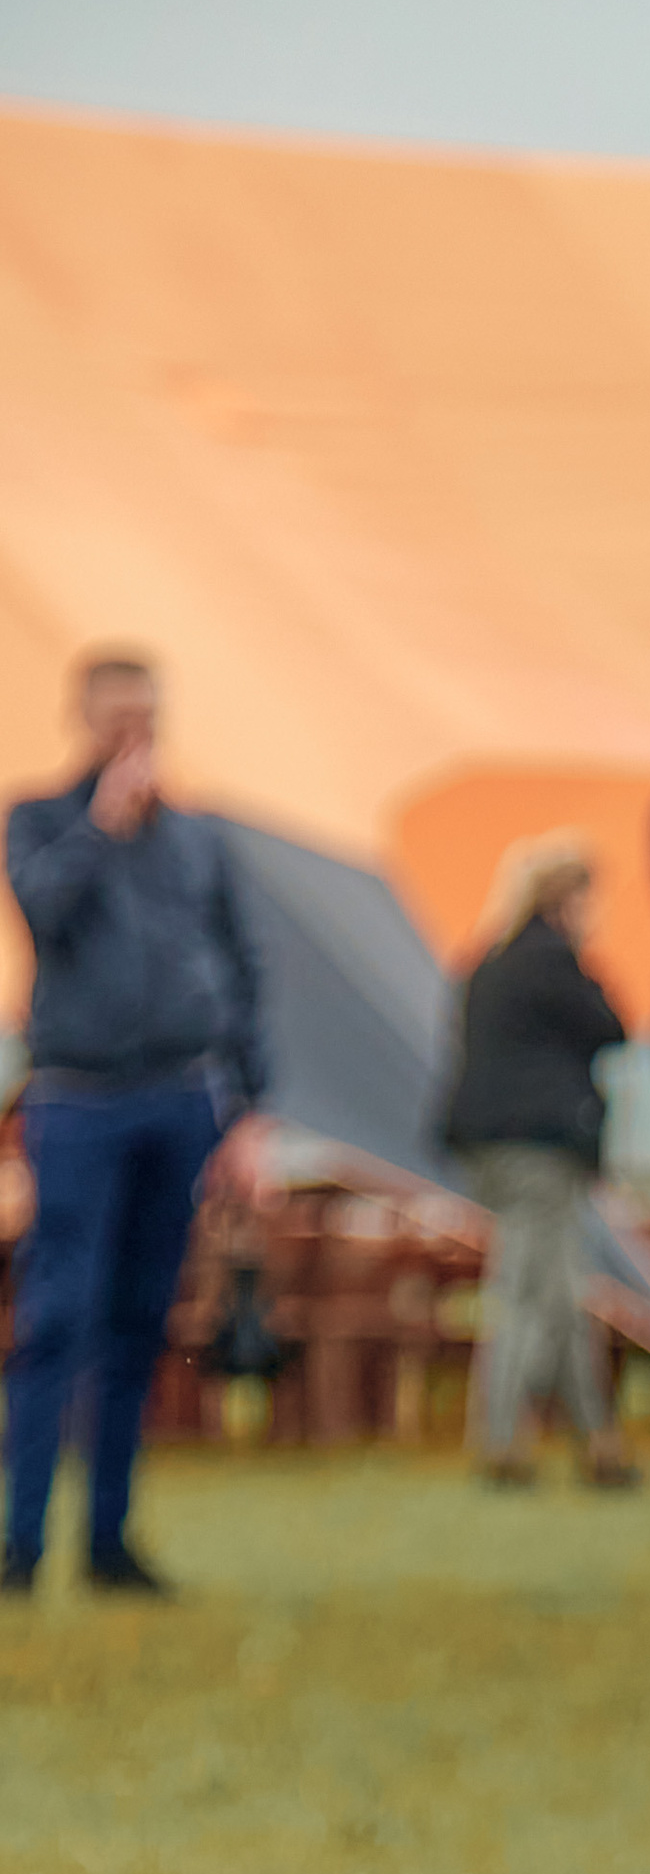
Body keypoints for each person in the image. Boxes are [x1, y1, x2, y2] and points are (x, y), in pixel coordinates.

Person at [4, 650, 269, 1600]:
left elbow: (240, 970)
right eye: (117, 718)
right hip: (79, 1099)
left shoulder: (197, 841)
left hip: (179, 1096)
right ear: (84, 719)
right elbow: (42, 911)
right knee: (56, 1318)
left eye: (146, 718)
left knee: (139, 1323)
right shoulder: (39, 819)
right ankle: (22, 1541)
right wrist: (102, 826)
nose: (134, 735)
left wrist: (250, 1106)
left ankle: (109, 1538)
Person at [441, 832, 641, 1489]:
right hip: (541, 1149)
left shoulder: (487, 962)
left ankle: (599, 1444)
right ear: (568, 899)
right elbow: (613, 1025)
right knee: (529, 1295)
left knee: (557, 1293)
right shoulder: (553, 964)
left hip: (487, 1146)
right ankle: (501, 1441)